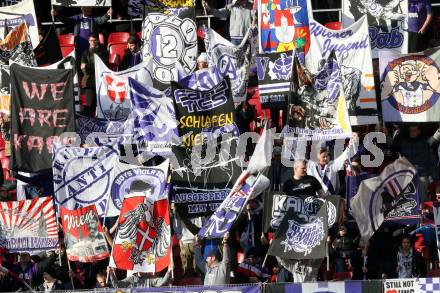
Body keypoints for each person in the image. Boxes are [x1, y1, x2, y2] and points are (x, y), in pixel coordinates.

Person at [80, 32, 109, 116]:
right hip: (89, 82)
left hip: (101, 81)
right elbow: (83, 70)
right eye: (91, 40)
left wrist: (88, 66)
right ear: (88, 41)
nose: (93, 42)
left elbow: (102, 66)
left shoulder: (104, 52)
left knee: (102, 105)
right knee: (89, 106)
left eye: (95, 40)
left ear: (98, 41)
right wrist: (92, 67)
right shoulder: (85, 53)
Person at [108, 265, 173, 288]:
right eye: (139, 266)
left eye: (142, 266)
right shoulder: (131, 279)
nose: (140, 269)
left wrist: (169, 271)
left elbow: (162, 282)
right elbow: (117, 285)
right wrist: (111, 274)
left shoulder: (150, 279)